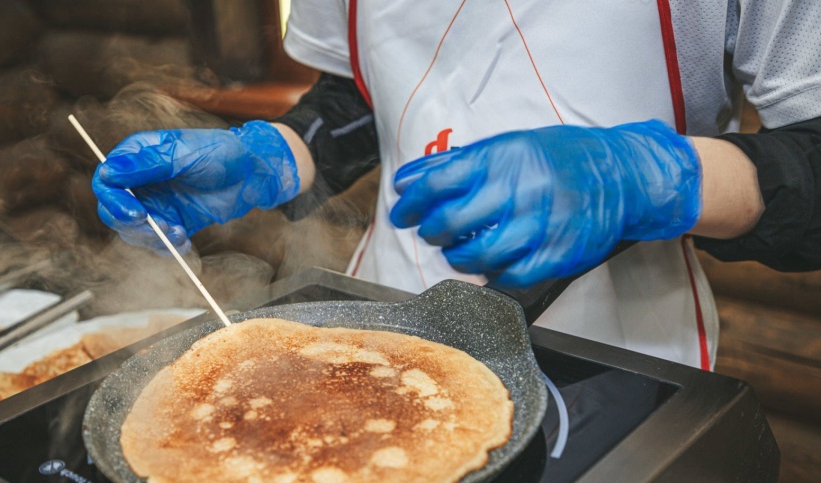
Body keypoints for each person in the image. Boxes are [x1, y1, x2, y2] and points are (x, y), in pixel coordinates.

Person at [92, 1, 821, 370]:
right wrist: (272, 154)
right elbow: (363, 93)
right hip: (387, 311)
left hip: (617, 345)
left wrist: (648, 179)